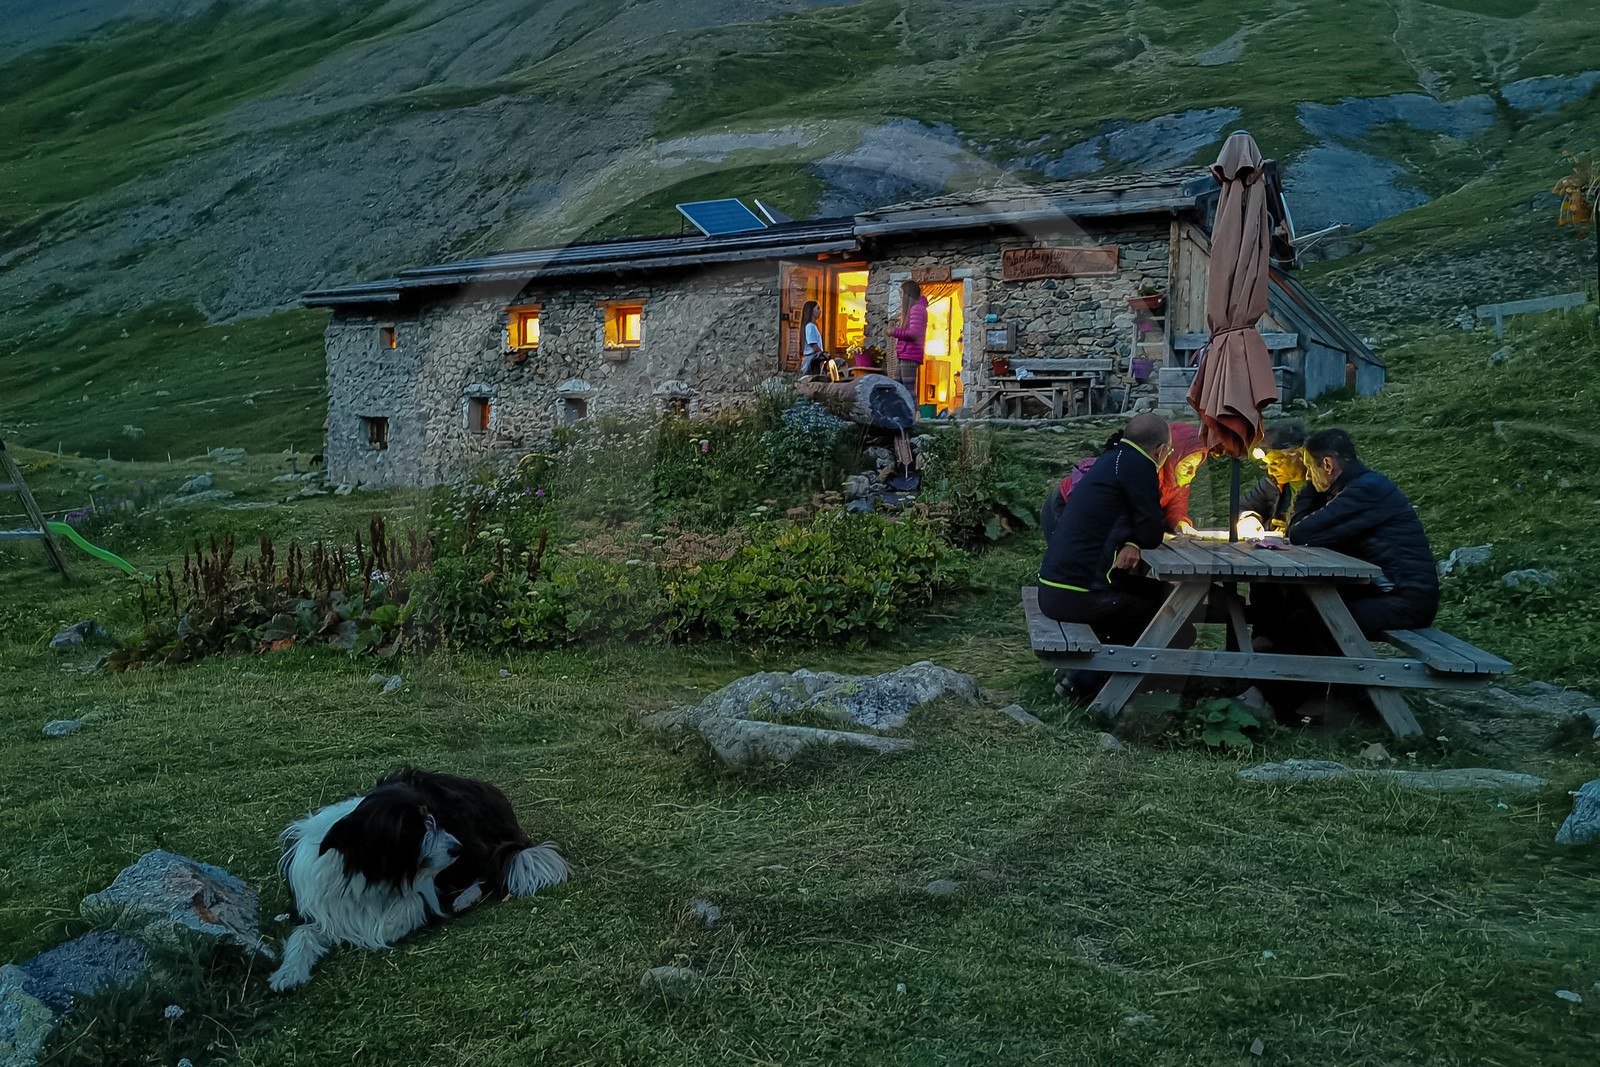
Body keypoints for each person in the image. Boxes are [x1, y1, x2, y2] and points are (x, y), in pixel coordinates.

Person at [1037, 414, 1183, 654]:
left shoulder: (1110, 459)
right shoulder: (1140, 465)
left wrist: (1131, 541)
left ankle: (1095, 678)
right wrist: (1136, 540)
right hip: (1078, 595)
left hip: (1054, 587)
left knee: (1163, 596)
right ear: (1161, 451)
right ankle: (1089, 681)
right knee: (1171, 615)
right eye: (1170, 451)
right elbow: (1152, 530)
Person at [1285, 428, 1439, 635]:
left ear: (1328, 465)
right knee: (1290, 603)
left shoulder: (1365, 490)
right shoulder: (1355, 487)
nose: (1310, 476)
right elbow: (1302, 533)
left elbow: (1300, 534)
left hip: (1404, 602)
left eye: (1310, 469)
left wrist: (1310, 487)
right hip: (1384, 592)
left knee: (1312, 622)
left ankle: (1330, 667)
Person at [1041, 421, 1206, 540]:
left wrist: (1179, 523)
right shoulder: (1141, 468)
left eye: (1195, 466)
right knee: (1075, 559)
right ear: (1171, 455)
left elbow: (1174, 508)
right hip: (1066, 504)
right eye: (1187, 466)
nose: (1192, 473)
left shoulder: (1177, 479)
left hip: (1105, 519)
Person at [1237, 419, 1307, 535]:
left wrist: (1293, 528)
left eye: (1276, 463)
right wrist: (1249, 518)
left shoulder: (1320, 484)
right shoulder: (1271, 483)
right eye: (1267, 464)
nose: (1270, 471)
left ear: (1298, 455)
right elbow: (1243, 507)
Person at [890, 280, 927, 392]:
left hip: (909, 354)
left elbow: (914, 333)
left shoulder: (916, 309)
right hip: (905, 354)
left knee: (907, 391)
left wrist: (894, 332)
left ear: (907, 295)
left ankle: (912, 410)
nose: (901, 298)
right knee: (899, 389)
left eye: (902, 294)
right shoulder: (915, 309)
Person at [798, 300, 825, 377]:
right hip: (812, 359)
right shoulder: (810, 326)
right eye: (818, 308)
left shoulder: (813, 326)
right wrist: (824, 354)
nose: (820, 311)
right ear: (811, 311)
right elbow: (814, 346)